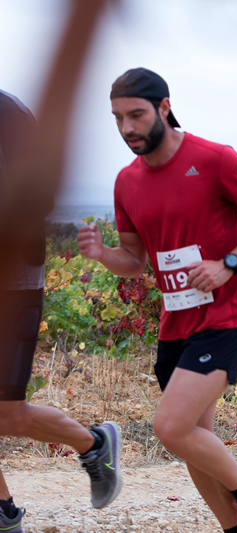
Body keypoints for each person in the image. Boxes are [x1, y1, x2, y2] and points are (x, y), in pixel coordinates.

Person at [77, 68, 237, 533]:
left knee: (171, 427)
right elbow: (134, 261)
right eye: (117, 118)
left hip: (228, 314)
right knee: (194, 439)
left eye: (136, 115)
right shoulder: (126, 182)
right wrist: (102, 254)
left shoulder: (215, 159)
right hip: (176, 322)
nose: (127, 128)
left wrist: (228, 264)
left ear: (164, 107)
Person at [0, 90, 122, 533]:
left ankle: (94, 444)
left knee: (7, 414)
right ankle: (3, 511)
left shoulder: (8, 113)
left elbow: (41, 196)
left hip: (11, 281)